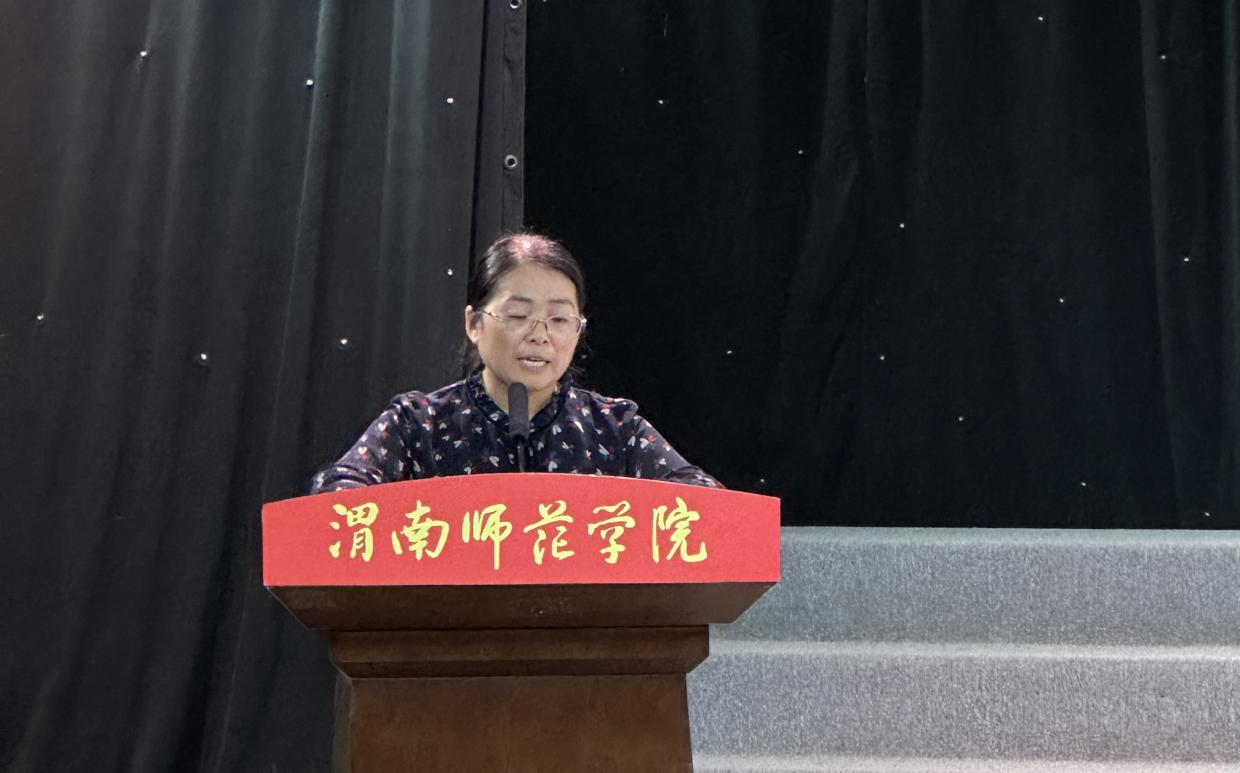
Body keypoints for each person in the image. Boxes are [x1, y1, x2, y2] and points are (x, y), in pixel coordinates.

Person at [310, 232, 720, 493]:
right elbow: (337, 495)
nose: (540, 335)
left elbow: (701, 499)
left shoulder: (613, 428)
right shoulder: (418, 424)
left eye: (559, 319)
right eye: (519, 315)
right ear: (473, 323)